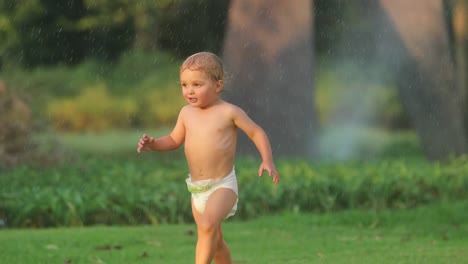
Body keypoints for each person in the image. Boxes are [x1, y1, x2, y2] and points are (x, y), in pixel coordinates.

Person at [137, 51, 280, 264]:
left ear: (218, 85)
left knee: (206, 227)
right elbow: (174, 140)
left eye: (197, 85)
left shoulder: (228, 112)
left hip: (222, 186)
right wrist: (154, 144)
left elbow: (256, 132)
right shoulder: (186, 113)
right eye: (184, 85)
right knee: (216, 241)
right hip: (197, 190)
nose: (189, 91)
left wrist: (267, 160)